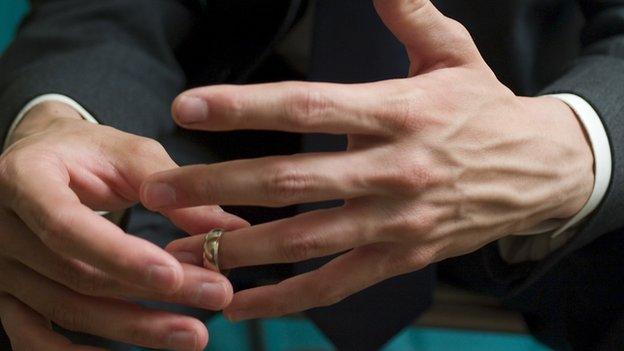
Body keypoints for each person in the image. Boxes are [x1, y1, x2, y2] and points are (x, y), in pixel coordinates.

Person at [0, 0, 622, 350]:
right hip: (214, 140)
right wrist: (58, 117)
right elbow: (106, 14)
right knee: (36, 263)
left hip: (536, 124)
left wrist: (579, 144)